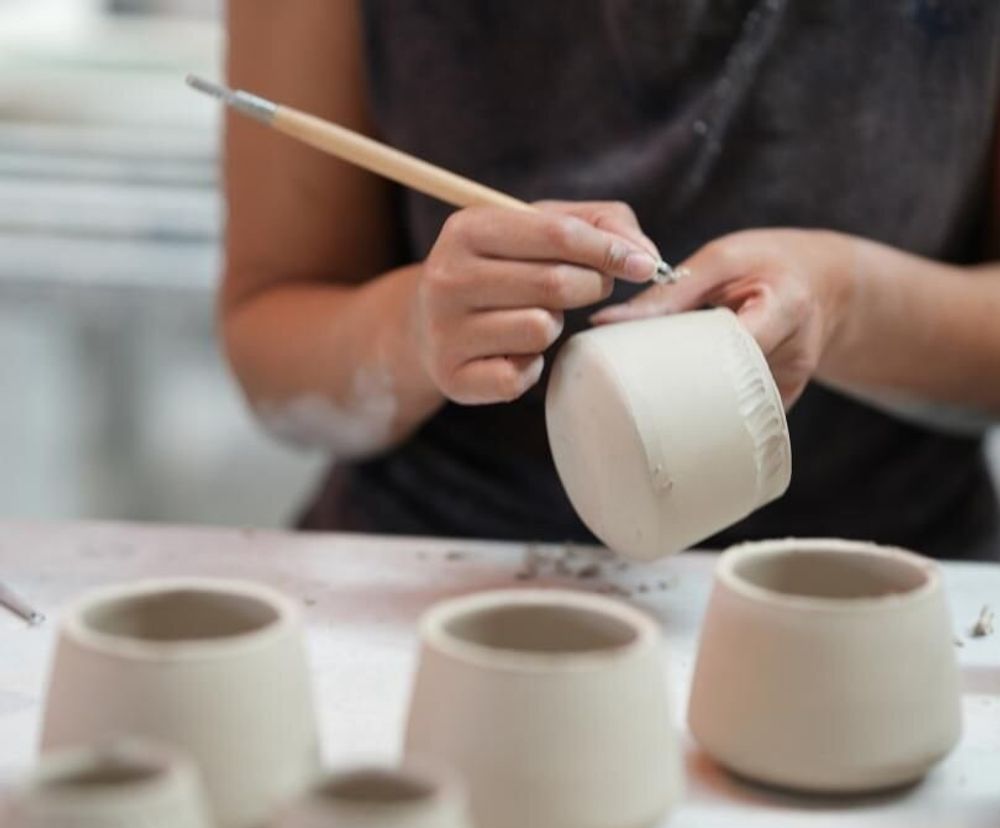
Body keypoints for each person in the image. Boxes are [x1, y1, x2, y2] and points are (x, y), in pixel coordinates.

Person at [222, 1, 1000, 559]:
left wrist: (848, 300)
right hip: (439, 568)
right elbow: (271, 347)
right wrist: (412, 334)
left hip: (883, 579)